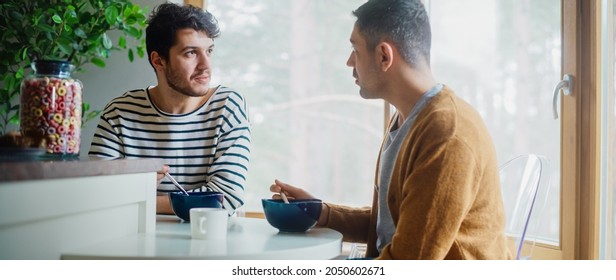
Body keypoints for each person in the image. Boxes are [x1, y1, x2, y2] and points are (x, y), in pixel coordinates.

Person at [270, 0, 510, 259]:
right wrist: (321, 212)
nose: (349, 62)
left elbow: (412, 260)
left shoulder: (446, 133)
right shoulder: (406, 119)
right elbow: (393, 225)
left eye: (355, 49)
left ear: (384, 55)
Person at [89, 3, 251, 216]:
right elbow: (95, 195)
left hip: (208, 243)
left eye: (209, 51)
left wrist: (138, 197)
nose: (206, 66)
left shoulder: (228, 107)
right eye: (191, 53)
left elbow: (226, 198)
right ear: (159, 60)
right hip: (134, 243)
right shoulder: (119, 113)